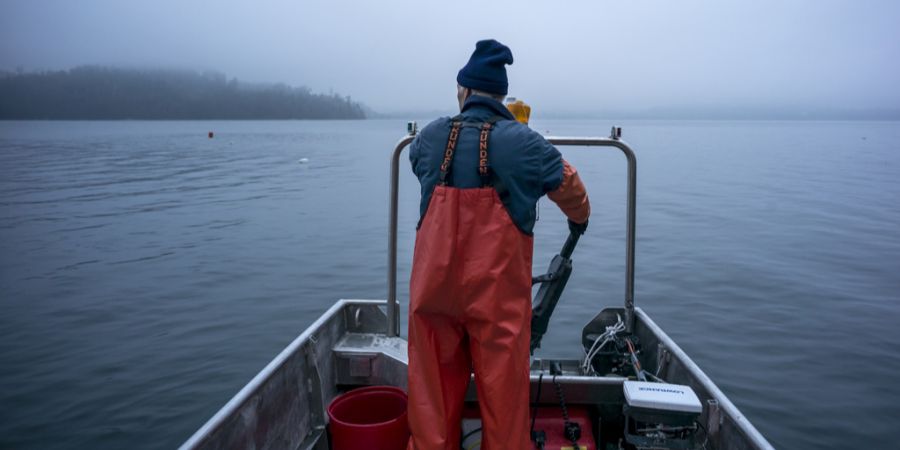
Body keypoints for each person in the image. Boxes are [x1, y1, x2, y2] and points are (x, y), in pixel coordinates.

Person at [406, 39, 590, 449]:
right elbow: (572, 189)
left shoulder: (430, 136)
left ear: (464, 90)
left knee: (431, 402)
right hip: (497, 303)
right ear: (501, 96)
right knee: (505, 408)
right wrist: (580, 219)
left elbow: (416, 161)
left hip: (432, 294)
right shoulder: (527, 144)